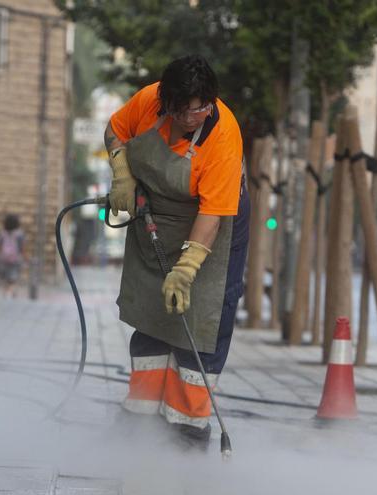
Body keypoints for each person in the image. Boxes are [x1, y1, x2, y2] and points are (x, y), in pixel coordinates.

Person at [104, 54, 249, 449]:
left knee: (199, 321)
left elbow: (212, 215)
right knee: (151, 314)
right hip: (156, 218)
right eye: (181, 110)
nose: (190, 118)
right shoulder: (148, 102)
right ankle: (140, 418)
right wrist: (122, 174)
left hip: (211, 225)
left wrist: (185, 270)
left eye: (200, 109)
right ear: (165, 102)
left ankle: (186, 429)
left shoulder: (223, 137)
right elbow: (115, 130)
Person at [0, 214, 26, 299]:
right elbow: (22, 248)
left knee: (6, 277)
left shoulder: (2, 233)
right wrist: (23, 257)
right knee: (13, 278)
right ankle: (11, 292)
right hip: (15, 259)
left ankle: (6, 292)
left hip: (3, 259)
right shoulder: (20, 234)